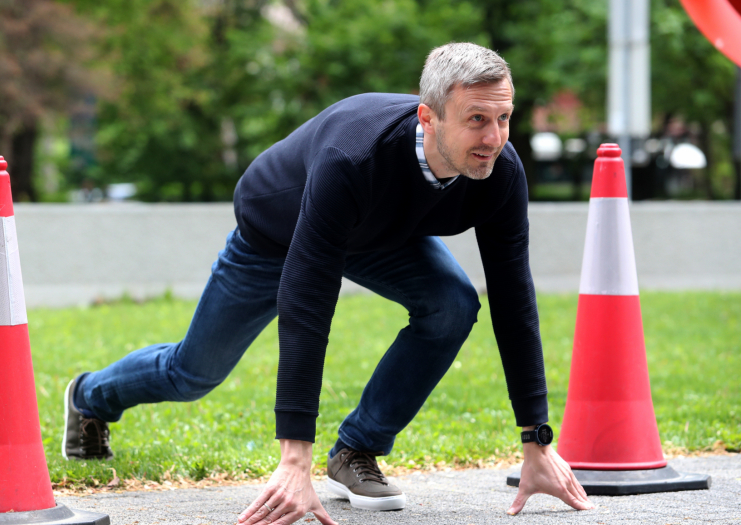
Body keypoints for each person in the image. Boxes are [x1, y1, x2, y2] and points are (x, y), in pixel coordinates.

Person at [60, 42, 594, 524]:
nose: (494, 138)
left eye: (503, 118)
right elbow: (308, 304)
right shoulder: (354, 157)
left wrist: (537, 440)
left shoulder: (499, 171)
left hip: (381, 233)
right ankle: (90, 396)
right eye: (477, 119)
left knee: (452, 304)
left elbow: (514, 298)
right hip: (275, 233)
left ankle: (356, 449)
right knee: (194, 373)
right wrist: (295, 459)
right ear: (428, 117)